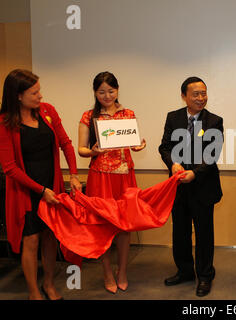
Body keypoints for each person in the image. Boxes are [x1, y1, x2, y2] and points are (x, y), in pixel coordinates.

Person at [0, 69, 82, 300]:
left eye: (40, 91)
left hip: (51, 185)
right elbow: (10, 168)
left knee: (49, 236)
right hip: (26, 191)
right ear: (18, 95)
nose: (40, 96)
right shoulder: (5, 123)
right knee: (31, 239)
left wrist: (73, 175)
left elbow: (65, 144)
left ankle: (48, 284)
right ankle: (33, 291)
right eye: (34, 92)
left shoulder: (48, 111)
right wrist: (40, 190)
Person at [78, 71, 146, 294]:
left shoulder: (128, 113)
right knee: (104, 226)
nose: (107, 96)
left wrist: (137, 146)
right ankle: (107, 272)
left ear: (117, 90)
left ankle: (122, 271)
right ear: (95, 93)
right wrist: (93, 151)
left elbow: (132, 141)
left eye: (111, 91)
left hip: (125, 174)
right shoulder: (89, 116)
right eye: (101, 92)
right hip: (100, 176)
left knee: (124, 226)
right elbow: (81, 149)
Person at [159, 76, 223, 297]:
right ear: (184, 96)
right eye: (195, 94)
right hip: (177, 186)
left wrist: (195, 173)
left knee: (204, 234)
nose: (201, 97)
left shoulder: (214, 121)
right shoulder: (173, 117)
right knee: (180, 232)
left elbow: (212, 154)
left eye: (204, 93)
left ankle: (205, 276)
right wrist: (172, 163)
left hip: (203, 185)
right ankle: (185, 271)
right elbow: (164, 147)